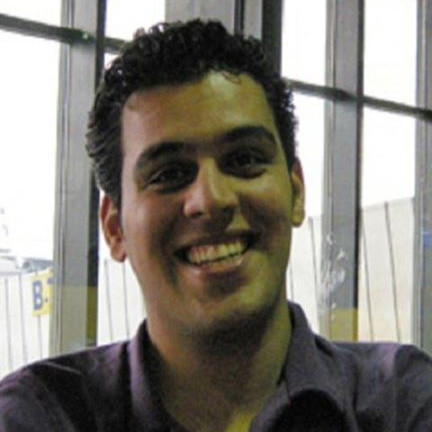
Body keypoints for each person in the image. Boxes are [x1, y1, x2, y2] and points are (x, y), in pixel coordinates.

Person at [0, 19, 431, 432]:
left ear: (296, 192)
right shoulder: (38, 417)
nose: (211, 200)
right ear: (115, 228)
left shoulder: (403, 402)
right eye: (169, 174)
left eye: (244, 159)